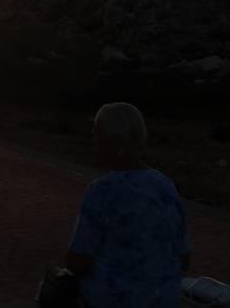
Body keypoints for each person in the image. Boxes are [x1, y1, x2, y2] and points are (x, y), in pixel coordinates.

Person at [65, 102, 190, 308]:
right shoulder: (165, 186)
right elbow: (184, 258)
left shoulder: (101, 190)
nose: (93, 139)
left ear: (112, 139)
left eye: (97, 132)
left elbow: (77, 261)